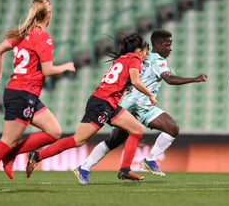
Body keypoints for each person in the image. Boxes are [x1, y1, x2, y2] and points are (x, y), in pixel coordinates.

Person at [0, 0, 76, 195]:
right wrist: (66, 66)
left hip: (25, 93)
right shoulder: (44, 38)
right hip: (22, 93)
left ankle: (11, 155)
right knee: (6, 141)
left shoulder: (21, 34)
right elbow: (48, 70)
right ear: (48, 15)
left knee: (54, 131)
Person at [73, 29, 207, 184]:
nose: (170, 48)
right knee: (115, 140)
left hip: (143, 107)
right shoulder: (157, 60)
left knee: (172, 128)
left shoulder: (145, 56)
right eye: (167, 45)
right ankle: (86, 167)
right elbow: (170, 80)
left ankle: (148, 160)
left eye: (171, 45)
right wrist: (195, 79)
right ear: (157, 44)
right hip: (134, 104)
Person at [25, 33, 157, 181]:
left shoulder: (122, 58)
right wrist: (150, 95)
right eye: (145, 51)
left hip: (108, 103)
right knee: (78, 140)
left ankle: (125, 169)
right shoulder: (134, 58)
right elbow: (136, 80)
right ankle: (38, 156)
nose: (146, 55)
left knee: (137, 129)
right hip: (102, 103)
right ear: (139, 51)